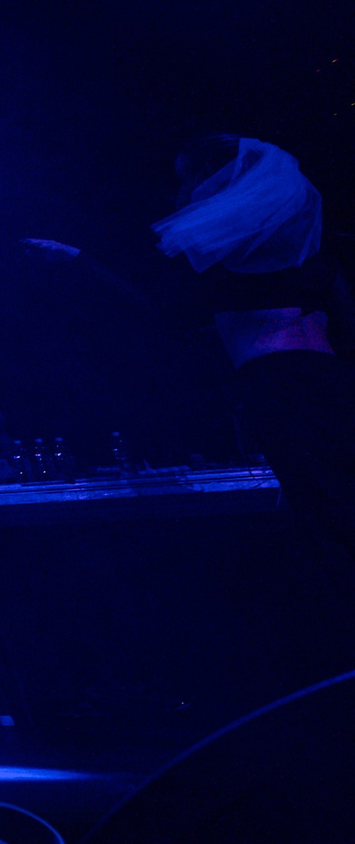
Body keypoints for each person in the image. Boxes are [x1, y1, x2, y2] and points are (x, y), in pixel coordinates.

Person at [151, 136, 354, 574]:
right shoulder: (309, 254)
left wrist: (80, 263)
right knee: (332, 508)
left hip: (283, 390)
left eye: (187, 179)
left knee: (327, 518)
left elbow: (163, 319)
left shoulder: (219, 258)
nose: (183, 193)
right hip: (326, 385)